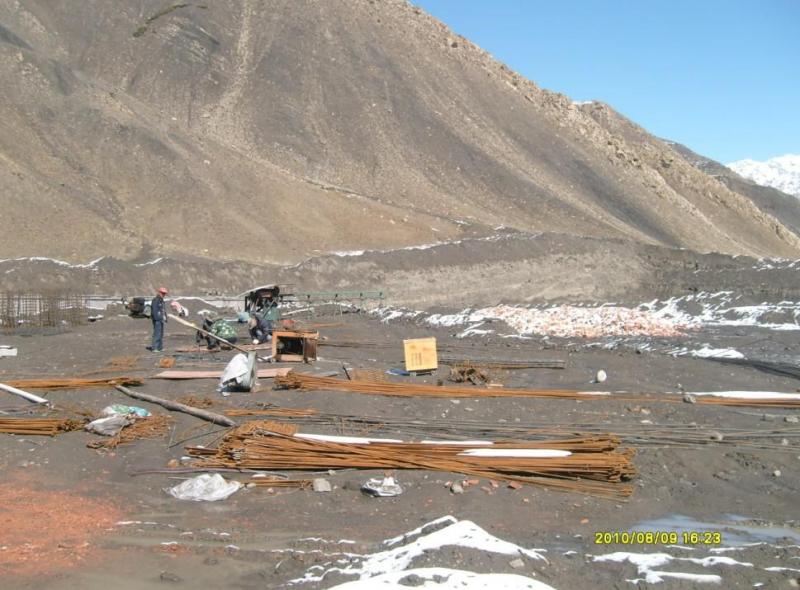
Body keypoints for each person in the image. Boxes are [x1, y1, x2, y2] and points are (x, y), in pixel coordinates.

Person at [146, 287, 168, 352]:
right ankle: (154, 348)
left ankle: (159, 348)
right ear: (159, 292)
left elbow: (163, 310)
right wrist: (157, 318)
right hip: (157, 320)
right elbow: (155, 310)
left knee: (161, 334)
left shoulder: (162, 301)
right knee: (157, 334)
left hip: (161, 319)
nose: (163, 295)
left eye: (164, 294)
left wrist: (165, 317)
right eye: (162, 293)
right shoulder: (155, 300)